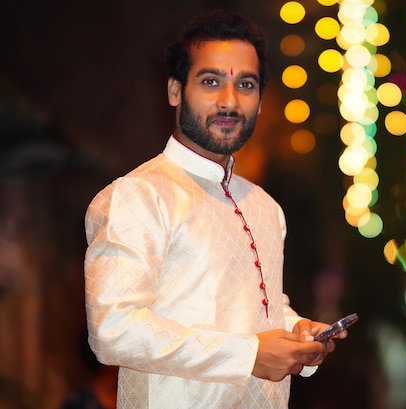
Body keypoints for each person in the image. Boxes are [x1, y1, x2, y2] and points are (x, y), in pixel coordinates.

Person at [84, 9, 346, 408]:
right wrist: (249, 355)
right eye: (211, 82)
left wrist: (296, 332)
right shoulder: (139, 196)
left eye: (246, 84)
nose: (229, 101)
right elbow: (113, 329)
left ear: (260, 100)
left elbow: (251, 306)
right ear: (175, 91)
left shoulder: (265, 207)